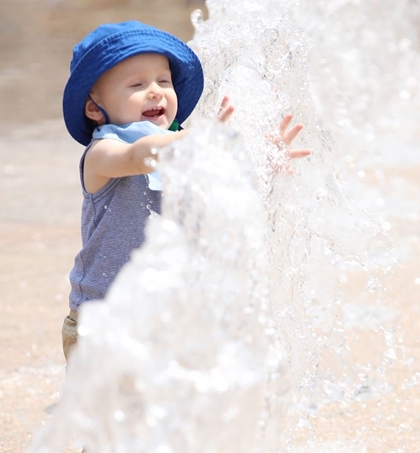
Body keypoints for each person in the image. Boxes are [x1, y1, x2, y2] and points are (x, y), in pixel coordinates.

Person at [60, 21, 310, 362]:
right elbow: (140, 155)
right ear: (94, 107)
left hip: (170, 320)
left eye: (164, 81)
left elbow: (222, 207)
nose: (156, 91)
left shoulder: (186, 150)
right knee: (117, 413)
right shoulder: (103, 155)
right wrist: (204, 138)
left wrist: (263, 163)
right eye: (137, 84)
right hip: (105, 322)